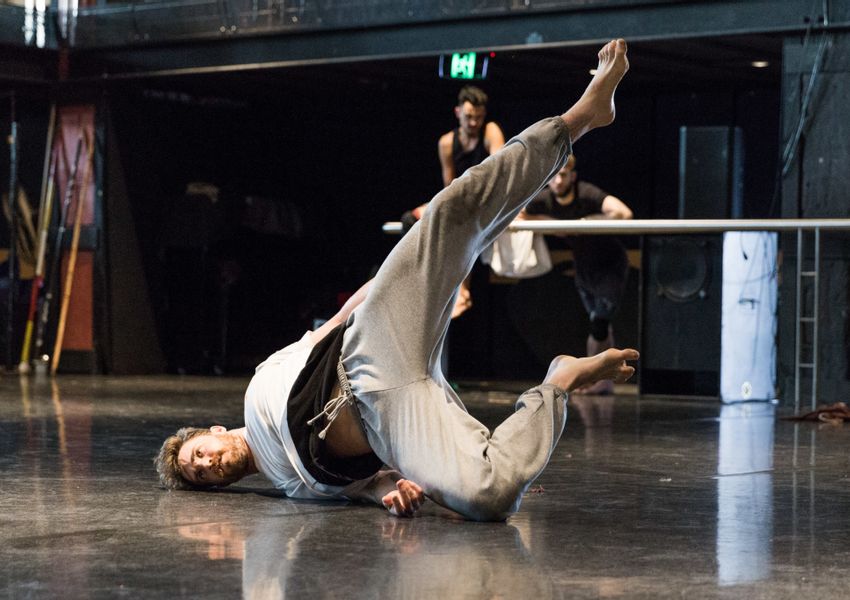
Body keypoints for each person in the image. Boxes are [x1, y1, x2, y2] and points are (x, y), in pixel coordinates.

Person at [155, 39, 637, 522]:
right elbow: (372, 484)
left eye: (199, 454)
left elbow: (332, 326)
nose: (208, 464)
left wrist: (405, 285)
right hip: (392, 423)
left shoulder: (258, 388)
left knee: (450, 211)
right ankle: (559, 381)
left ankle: (581, 117)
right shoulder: (294, 487)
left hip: (365, 351)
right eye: (202, 475)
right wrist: (393, 490)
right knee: (490, 496)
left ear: (212, 431)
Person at [519, 155, 633, 394]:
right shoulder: (546, 199)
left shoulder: (586, 193)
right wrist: (552, 224)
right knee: (599, 324)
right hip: (584, 267)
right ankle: (602, 382)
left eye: (563, 175)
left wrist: (583, 223)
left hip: (609, 264)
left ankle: (592, 380)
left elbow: (624, 213)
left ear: (573, 176)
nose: (558, 181)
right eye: (554, 176)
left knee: (599, 324)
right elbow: (518, 214)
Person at [402, 85, 506, 317]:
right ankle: (419, 280)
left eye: (478, 117)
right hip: (460, 199)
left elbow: (500, 172)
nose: (474, 122)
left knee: (465, 226)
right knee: (411, 218)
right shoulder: (447, 143)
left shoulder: (490, 131)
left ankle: (462, 290)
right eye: (469, 117)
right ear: (458, 112)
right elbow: (449, 187)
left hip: (488, 198)